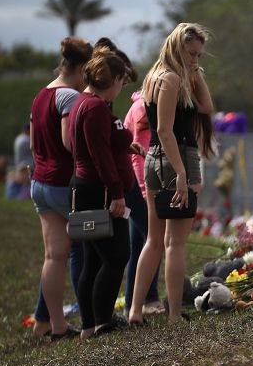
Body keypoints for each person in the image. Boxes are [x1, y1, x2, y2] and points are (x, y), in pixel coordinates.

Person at [129, 23, 215, 325]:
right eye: (191, 54)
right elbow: (165, 130)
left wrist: (196, 72)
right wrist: (181, 173)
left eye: (199, 56)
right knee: (174, 243)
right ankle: (175, 314)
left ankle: (135, 310)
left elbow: (206, 105)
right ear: (177, 47)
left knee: (154, 240)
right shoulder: (171, 78)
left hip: (155, 159)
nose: (195, 60)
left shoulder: (156, 76)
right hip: (176, 157)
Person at [68, 41, 136, 338]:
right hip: (98, 190)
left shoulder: (82, 103)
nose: (121, 87)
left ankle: (88, 325)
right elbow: (100, 156)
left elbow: (98, 145)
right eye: (122, 81)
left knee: (93, 259)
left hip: (85, 187)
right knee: (117, 256)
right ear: (115, 80)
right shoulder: (95, 107)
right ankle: (101, 323)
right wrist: (117, 193)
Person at [29, 37, 91, 340]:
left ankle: (56, 326)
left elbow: (31, 143)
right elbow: (70, 142)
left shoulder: (41, 95)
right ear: (81, 69)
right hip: (61, 183)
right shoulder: (69, 96)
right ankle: (93, 316)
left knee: (53, 257)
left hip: (39, 182)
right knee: (88, 246)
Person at [122, 89, 164, 315]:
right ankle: (144, 300)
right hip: (139, 184)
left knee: (139, 244)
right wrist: (144, 190)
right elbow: (137, 154)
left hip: (139, 182)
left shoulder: (145, 105)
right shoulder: (142, 109)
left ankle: (137, 301)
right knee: (154, 239)